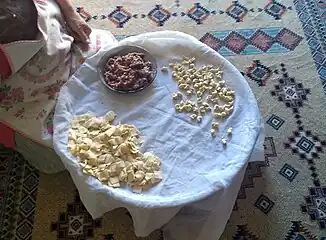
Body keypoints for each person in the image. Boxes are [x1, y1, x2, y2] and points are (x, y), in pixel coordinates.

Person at [0, 0, 116, 171]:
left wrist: (70, 14)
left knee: (113, 58)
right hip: (27, 98)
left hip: (59, 44)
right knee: (60, 156)